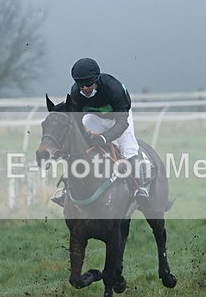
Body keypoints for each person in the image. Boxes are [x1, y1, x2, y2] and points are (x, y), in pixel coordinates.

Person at [51, 57, 150, 205]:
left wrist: (103, 138)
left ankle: (140, 187)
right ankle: (67, 188)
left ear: (97, 79)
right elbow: (76, 121)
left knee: (128, 148)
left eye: (89, 84)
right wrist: (84, 136)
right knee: (79, 145)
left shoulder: (113, 88)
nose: (85, 88)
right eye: (81, 85)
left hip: (120, 117)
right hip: (96, 118)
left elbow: (122, 122)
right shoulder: (76, 93)